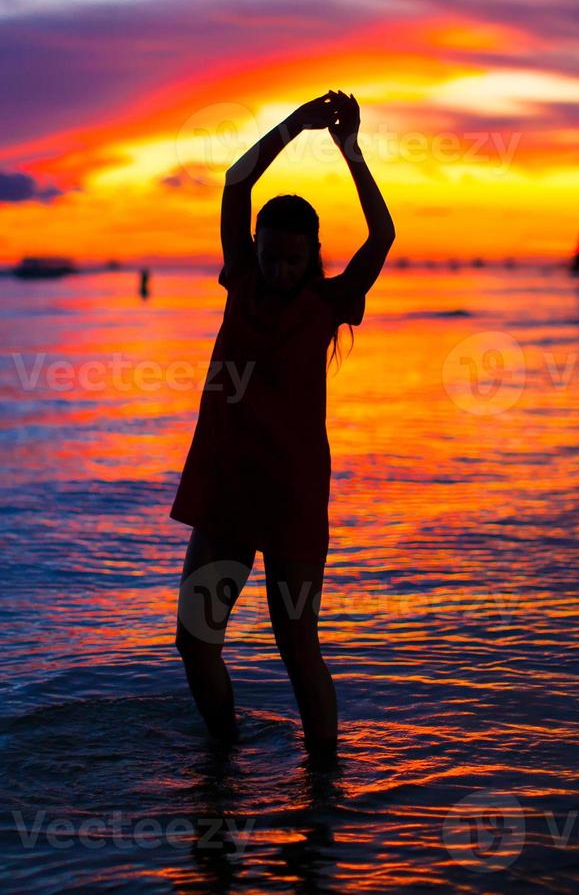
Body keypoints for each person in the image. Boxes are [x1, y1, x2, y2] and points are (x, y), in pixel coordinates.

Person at [169, 91, 395, 757]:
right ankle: (223, 761)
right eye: (271, 256)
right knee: (194, 640)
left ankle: (324, 788)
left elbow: (381, 237)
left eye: (294, 259)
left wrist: (349, 150)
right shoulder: (240, 279)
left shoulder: (330, 303)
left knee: (297, 647)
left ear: (313, 256)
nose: (280, 269)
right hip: (226, 492)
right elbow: (237, 182)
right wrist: (295, 125)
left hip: (292, 499)